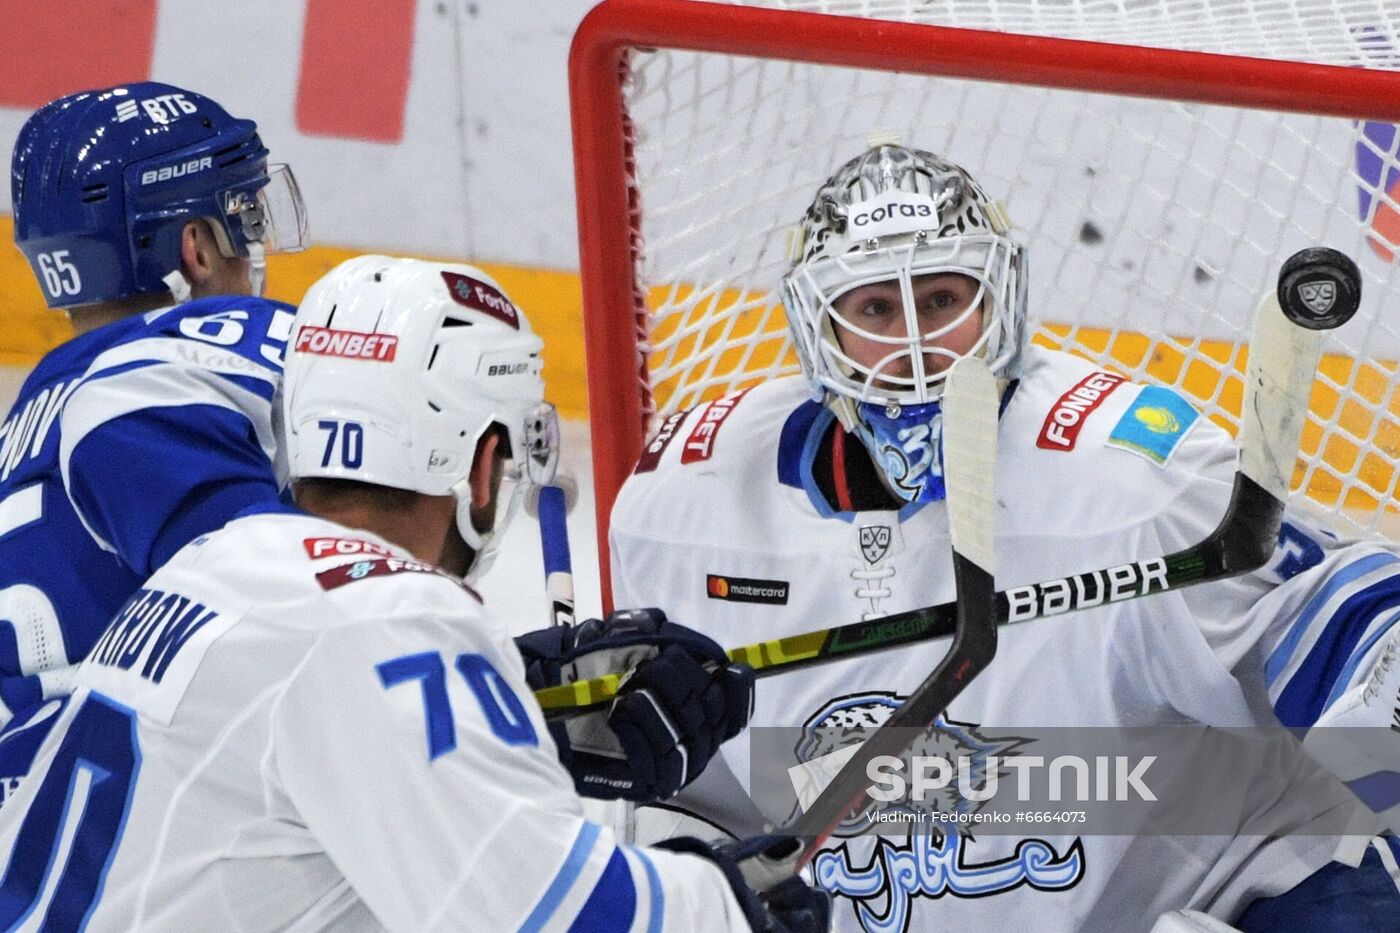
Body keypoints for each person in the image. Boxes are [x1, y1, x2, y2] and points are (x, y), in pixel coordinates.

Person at [608, 144, 1400, 931]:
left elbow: (1335, 611)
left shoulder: (1126, 480)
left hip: (1212, 892)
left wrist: (1380, 693)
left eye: (944, 298)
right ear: (822, 329)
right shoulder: (684, 511)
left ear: (998, 301)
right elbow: (679, 800)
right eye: (877, 309)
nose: (916, 347)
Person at [0, 255, 827, 931]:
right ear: (478, 462)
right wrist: (728, 904)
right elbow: (541, 911)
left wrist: (514, 702)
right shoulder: (392, 613)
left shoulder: (210, 564)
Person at [0, 83, 741, 813]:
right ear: (195, 246)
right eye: (245, 217)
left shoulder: (32, 417)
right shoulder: (179, 378)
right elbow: (287, 629)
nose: (257, 247)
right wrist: (512, 687)